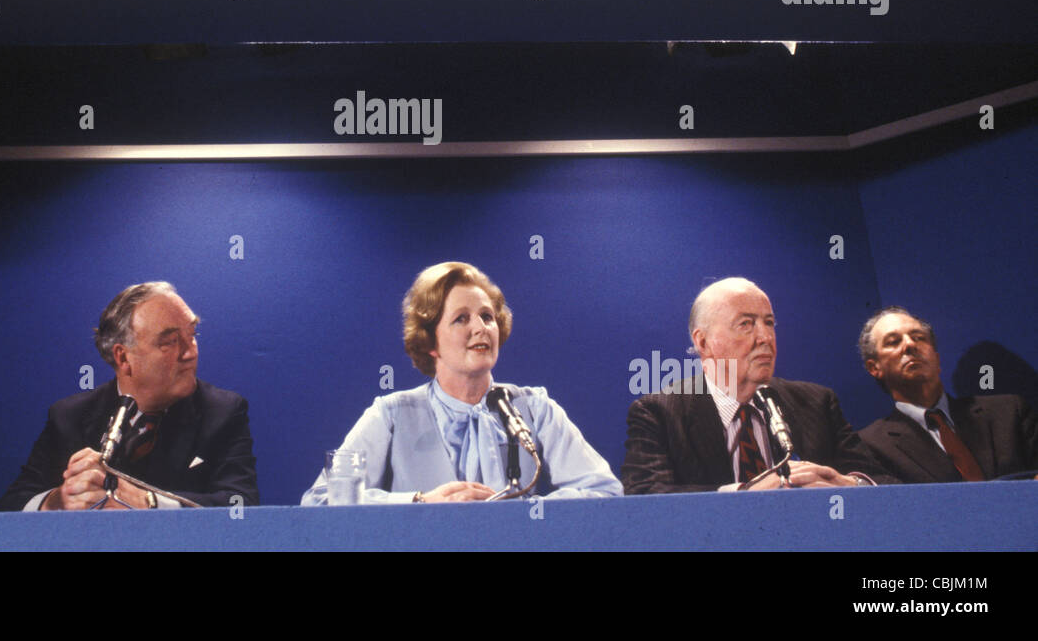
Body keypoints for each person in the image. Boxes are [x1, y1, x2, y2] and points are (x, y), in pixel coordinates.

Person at [301, 262, 621, 504]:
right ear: (430, 342)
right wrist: (419, 501)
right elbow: (321, 500)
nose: (481, 328)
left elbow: (605, 491)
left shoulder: (535, 408)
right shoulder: (391, 415)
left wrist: (524, 514)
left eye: (487, 316)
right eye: (461, 318)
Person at [0, 281, 259, 510]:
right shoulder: (69, 416)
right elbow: (7, 509)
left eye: (192, 334)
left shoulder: (223, 411)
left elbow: (241, 504)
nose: (190, 353)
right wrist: (57, 501)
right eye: (170, 342)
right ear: (123, 357)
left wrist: (147, 502)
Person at [621, 277, 887, 493]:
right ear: (703, 343)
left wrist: (849, 484)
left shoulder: (816, 402)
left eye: (769, 323)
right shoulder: (659, 412)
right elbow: (646, 495)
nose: (765, 337)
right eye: (746, 324)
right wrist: (744, 494)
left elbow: (884, 482)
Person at [857, 307, 1038, 483]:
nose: (910, 344)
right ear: (874, 367)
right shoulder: (871, 445)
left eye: (919, 338)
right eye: (893, 342)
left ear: (937, 358)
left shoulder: (1009, 412)